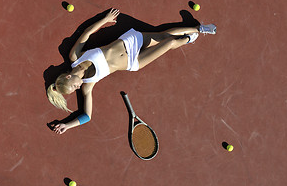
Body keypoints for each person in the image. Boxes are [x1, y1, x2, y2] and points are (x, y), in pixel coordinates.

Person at [47, 8, 216, 134]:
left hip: (129, 41)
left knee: (164, 35)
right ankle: (193, 34)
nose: (77, 88)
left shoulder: (75, 56)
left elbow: (87, 33)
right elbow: (87, 115)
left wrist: (105, 20)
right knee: (170, 43)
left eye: (73, 86)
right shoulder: (87, 86)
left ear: (68, 76)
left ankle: (196, 30)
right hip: (134, 62)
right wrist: (67, 125)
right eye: (75, 89)